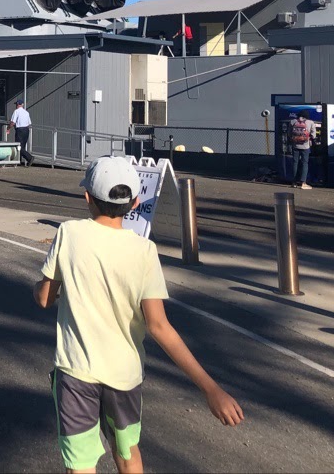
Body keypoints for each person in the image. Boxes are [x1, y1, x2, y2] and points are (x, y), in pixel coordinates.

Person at [35, 156, 243, 473]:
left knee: (80, 462)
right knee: (128, 450)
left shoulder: (69, 234)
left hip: (76, 373)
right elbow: (159, 327)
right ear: (134, 203)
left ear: (87, 198)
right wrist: (210, 389)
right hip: (124, 377)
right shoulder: (144, 251)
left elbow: (45, 298)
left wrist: (53, 289)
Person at [290, 109, 316, 190]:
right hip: (305, 146)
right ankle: (303, 183)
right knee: (305, 163)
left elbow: (289, 133)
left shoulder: (293, 121)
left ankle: (294, 182)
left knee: (295, 163)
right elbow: (313, 135)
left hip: (295, 146)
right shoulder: (310, 122)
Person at [10, 99, 33, 166]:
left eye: (16, 104)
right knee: (22, 146)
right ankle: (18, 161)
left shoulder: (16, 111)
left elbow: (13, 122)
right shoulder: (26, 112)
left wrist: (8, 128)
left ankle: (29, 157)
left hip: (20, 130)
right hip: (26, 130)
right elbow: (29, 123)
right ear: (22, 105)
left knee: (18, 146)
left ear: (17, 105)